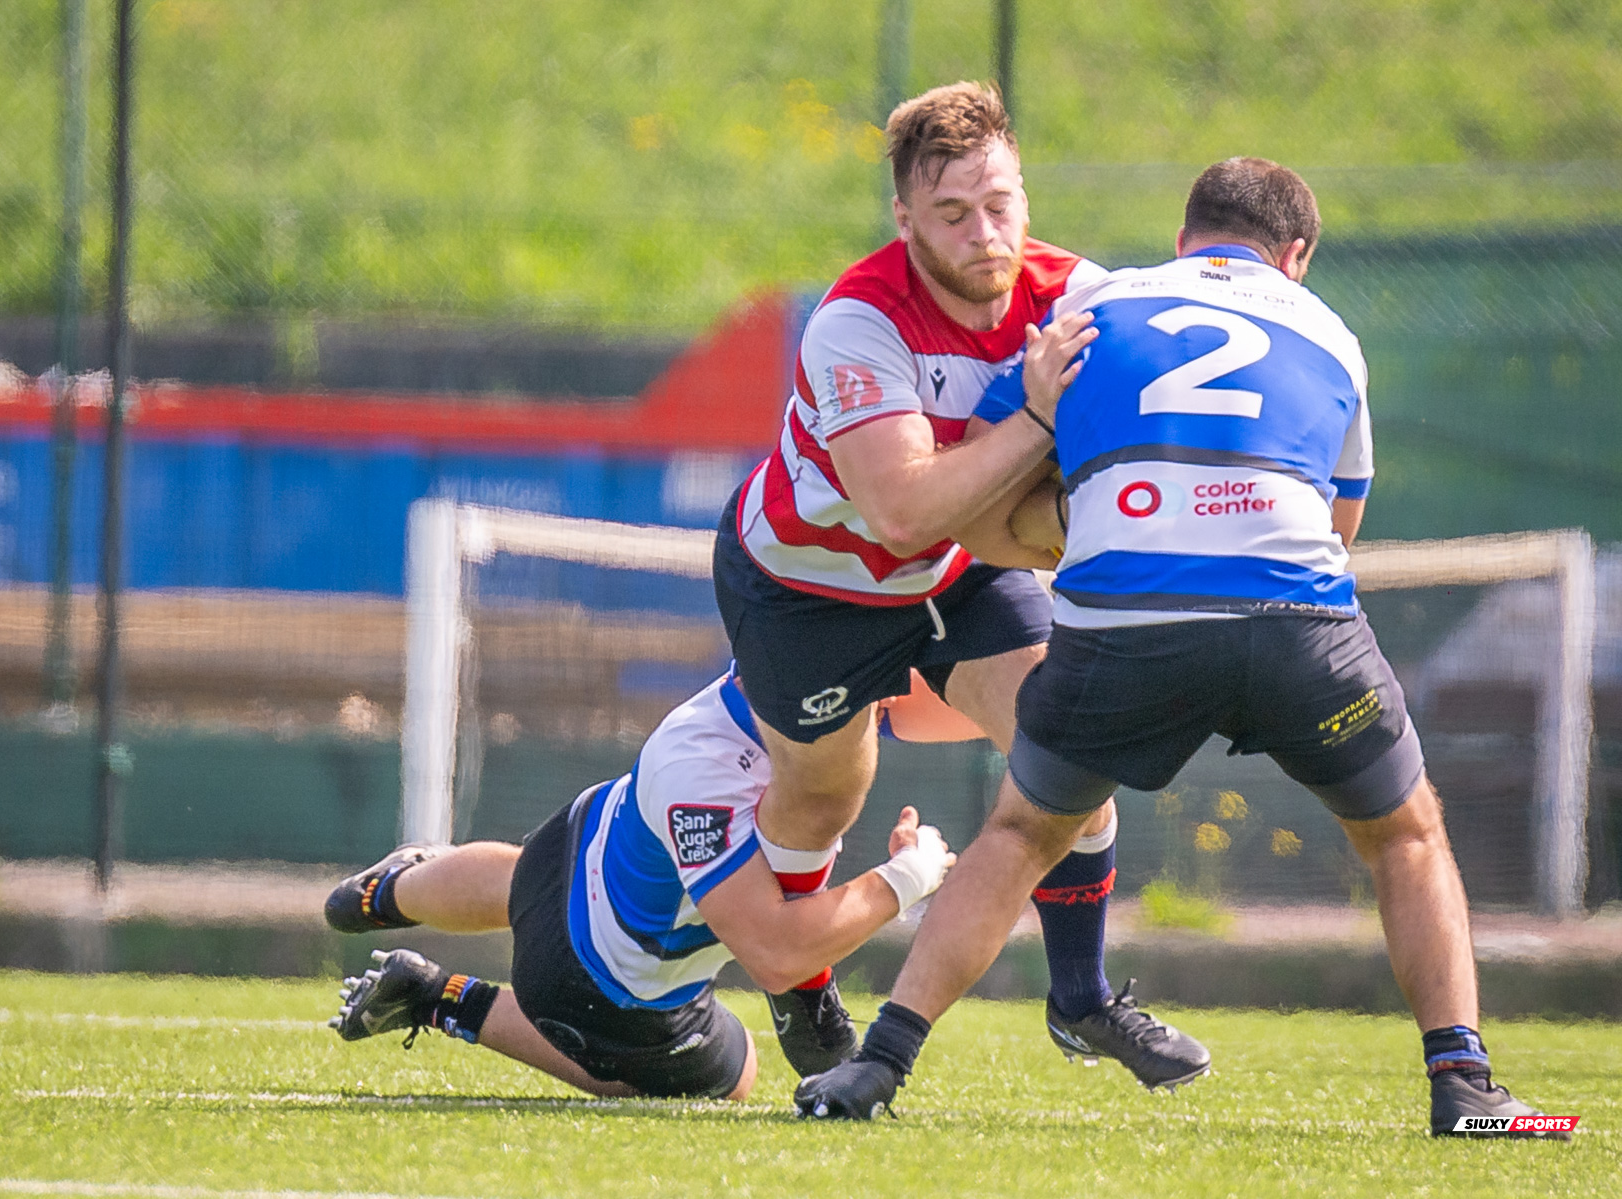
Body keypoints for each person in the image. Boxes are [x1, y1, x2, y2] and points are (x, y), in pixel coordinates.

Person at [793, 157, 1572, 1140]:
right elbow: (1341, 524)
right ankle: (1462, 1082)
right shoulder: (1329, 330)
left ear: (1182, 239)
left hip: (1124, 622)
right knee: (1407, 833)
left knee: (1021, 835)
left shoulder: (1094, 311)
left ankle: (880, 1063)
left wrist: (1092, 527)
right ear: (1296, 258)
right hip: (1300, 620)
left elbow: (975, 501)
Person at [713, 80, 1207, 1088]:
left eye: (1002, 204)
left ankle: (1080, 997)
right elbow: (900, 512)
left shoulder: (1080, 298)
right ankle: (805, 981)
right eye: (951, 214)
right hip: (808, 586)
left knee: (1064, 747)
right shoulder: (859, 319)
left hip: (961, 570)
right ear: (905, 220)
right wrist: (1034, 421)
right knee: (822, 796)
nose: (986, 233)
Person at [321, 671, 955, 1100]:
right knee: (734, 1077)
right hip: (586, 985)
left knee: (527, 879)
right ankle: (440, 995)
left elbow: (933, 694)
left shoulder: (765, 693)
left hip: (573, 845)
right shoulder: (746, 786)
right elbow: (784, 966)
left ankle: (387, 892)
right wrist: (906, 878)